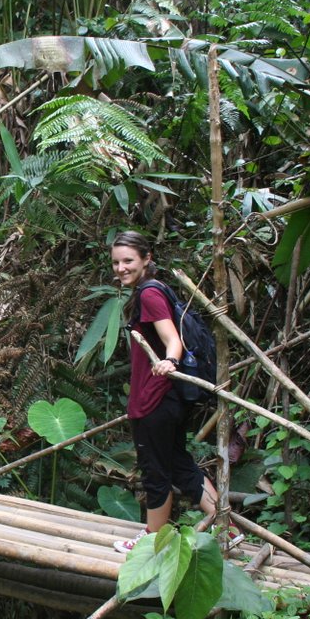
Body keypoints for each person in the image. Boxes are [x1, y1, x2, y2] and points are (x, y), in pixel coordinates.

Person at [110, 230, 226, 553]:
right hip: (171, 399)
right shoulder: (157, 290)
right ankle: (226, 527)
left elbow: (172, 339)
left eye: (128, 261)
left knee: (156, 471)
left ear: (146, 259)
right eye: (116, 262)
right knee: (179, 465)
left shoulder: (149, 295)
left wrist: (169, 361)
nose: (121, 268)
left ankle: (151, 541)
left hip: (154, 401)